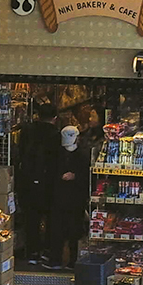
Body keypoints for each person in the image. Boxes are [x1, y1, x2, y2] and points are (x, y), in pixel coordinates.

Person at [14, 100, 61, 266]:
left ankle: (32, 252)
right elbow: (56, 160)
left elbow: (20, 152)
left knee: (30, 218)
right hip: (48, 182)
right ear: (55, 118)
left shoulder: (27, 130)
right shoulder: (56, 135)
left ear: (38, 116)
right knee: (50, 218)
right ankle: (47, 251)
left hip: (27, 180)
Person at [49, 123, 92, 269]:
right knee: (59, 230)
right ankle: (57, 259)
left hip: (73, 198)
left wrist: (75, 177)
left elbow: (87, 176)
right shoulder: (59, 154)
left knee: (72, 230)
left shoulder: (81, 155)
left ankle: (70, 260)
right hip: (63, 197)